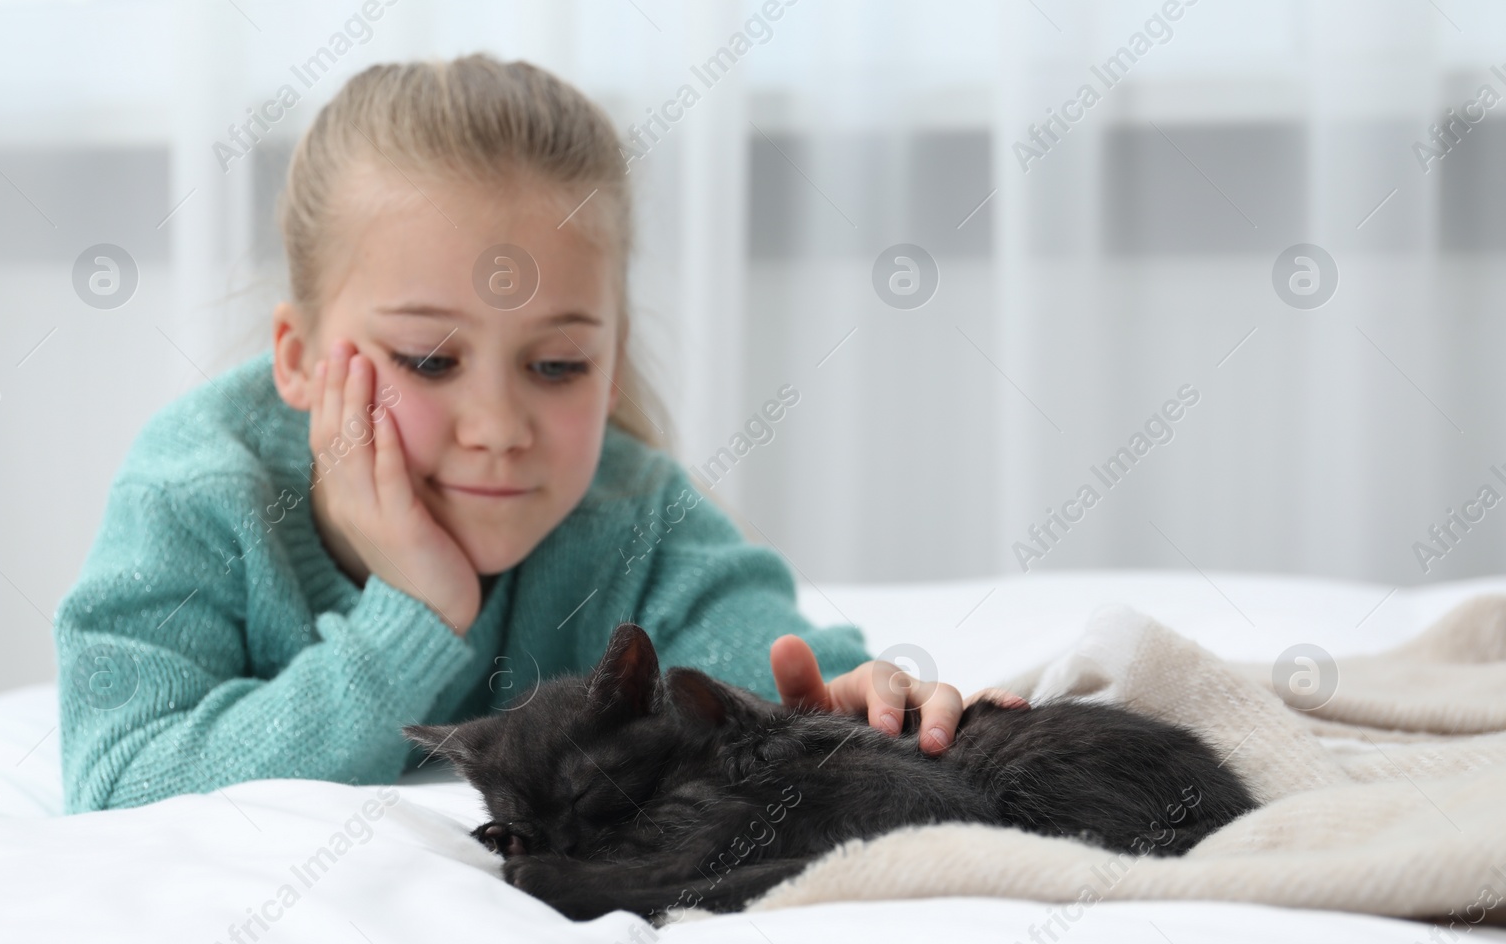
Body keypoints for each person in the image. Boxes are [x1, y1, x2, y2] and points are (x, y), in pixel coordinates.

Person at [54, 54, 1024, 814]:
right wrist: (417, 616)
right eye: (430, 359)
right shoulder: (196, 496)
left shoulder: (627, 514)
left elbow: (770, 658)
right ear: (300, 356)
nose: (499, 427)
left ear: (609, 363)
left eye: (556, 365)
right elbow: (119, 777)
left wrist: (852, 699)